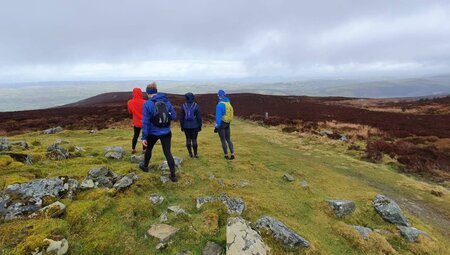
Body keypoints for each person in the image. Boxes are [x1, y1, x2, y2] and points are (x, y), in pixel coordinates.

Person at [139, 82, 178, 182]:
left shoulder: (147, 104)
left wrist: (144, 137)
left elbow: (145, 122)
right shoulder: (166, 102)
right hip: (166, 132)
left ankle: (145, 166)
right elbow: (174, 116)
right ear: (156, 92)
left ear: (148, 93)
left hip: (152, 133)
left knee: (149, 149)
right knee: (168, 153)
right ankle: (173, 176)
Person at [180, 92, 202, 158]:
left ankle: (190, 154)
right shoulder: (196, 106)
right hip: (195, 125)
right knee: (194, 140)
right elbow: (199, 117)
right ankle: (195, 154)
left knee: (188, 139)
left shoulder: (183, 106)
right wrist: (200, 126)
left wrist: (182, 126)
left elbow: (181, 117)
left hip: (186, 126)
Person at [214, 89, 235, 160]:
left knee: (223, 140)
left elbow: (218, 118)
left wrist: (216, 127)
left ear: (219, 96)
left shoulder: (219, 105)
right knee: (228, 139)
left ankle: (226, 155)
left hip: (222, 124)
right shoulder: (228, 103)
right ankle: (232, 154)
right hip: (227, 123)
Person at [127, 88, 146, 154]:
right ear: (140, 93)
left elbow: (130, 112)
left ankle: (133, 149)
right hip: (144, 122)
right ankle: (144, 150)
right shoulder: (145, 102)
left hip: (136, 122)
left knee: (136, 135)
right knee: (145, 135)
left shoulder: (130, 102)